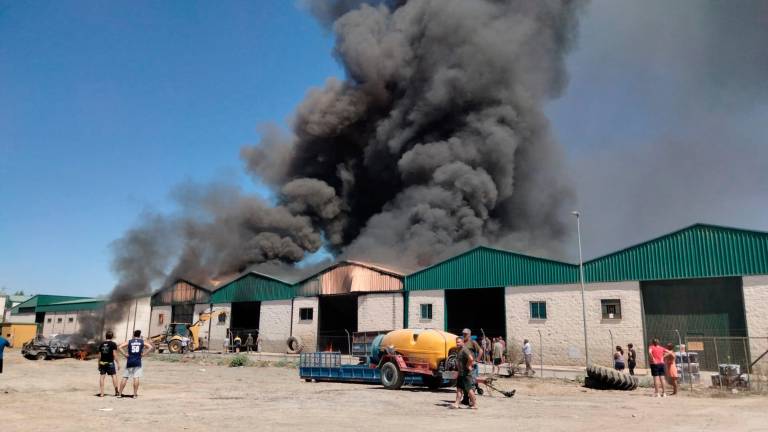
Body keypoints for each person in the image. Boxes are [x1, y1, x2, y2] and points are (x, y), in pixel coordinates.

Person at [118, 330, 154, 398]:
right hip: (137, 361)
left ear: (134, 335)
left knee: (125, 377)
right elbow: (150, 347)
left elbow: (119, 347)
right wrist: (144, 354)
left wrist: (125, 354)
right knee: (136, 377)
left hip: (130, 361)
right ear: (140, 335)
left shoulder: (130, 341)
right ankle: (134, 394)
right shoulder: (142, 341)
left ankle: (119, 394)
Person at [452, 337, 477, 409]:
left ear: (462, 342)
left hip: (466, 374)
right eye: (457, 342)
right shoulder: (459, 350)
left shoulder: (465, 350)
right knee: (459, 388)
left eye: (459, 342)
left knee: (469, 389)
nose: (457, 343)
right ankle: (456, 403)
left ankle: (475, 405)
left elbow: (471, 358)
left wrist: (468, 365)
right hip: (461, 373)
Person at [97, 330, 120, 397]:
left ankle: (102, 393)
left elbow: (99, 356)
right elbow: (114, 354)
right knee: (114, 376)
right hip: (110, 363)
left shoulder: (101, 344)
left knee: (102, 377)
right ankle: (116, 392)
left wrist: (98, 364)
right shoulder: (113, 344)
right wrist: (118, 363)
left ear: (105, 336)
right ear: (112, 337)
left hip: (102, 363)